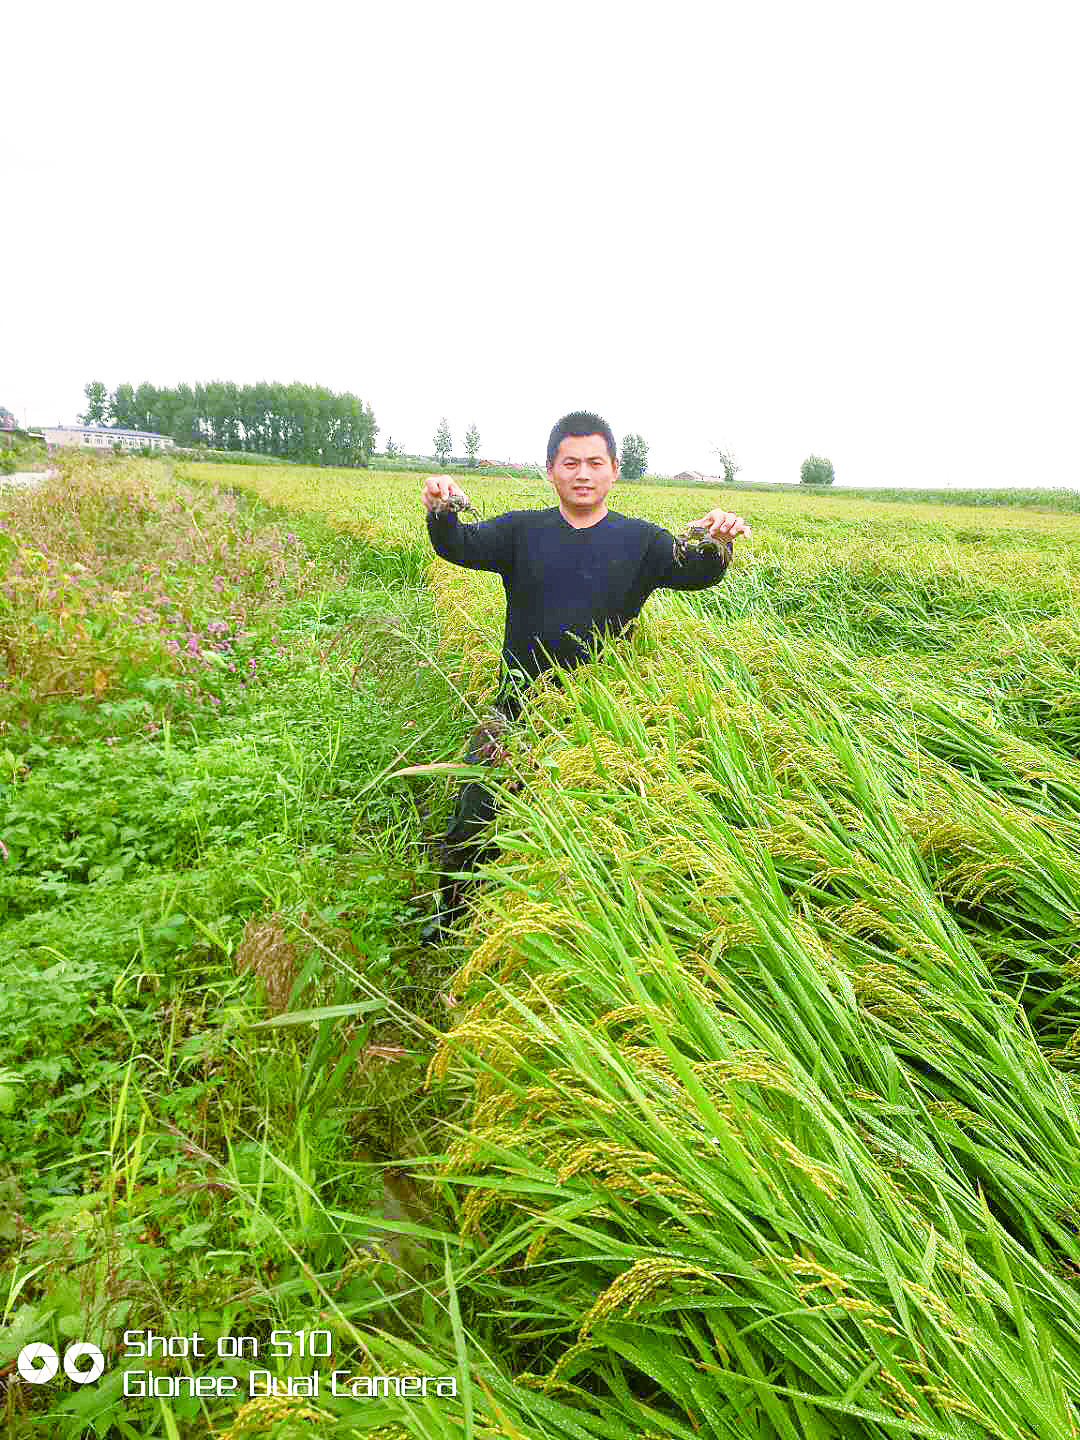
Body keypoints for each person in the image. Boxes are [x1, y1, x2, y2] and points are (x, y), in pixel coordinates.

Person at [419, 410, 752, 943]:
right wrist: (440, 508)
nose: (583, 473)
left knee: (603, 826)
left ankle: (589, 928)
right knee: (475, 805)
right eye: (570, 462)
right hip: (518, 703)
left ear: (615, 470)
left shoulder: (641, 541)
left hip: (603, 712)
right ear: (550, 469)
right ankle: (450, 914)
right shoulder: (520, 531)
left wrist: (719, 538)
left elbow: (699, 572)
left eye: (595, 462)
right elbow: (457, 545)